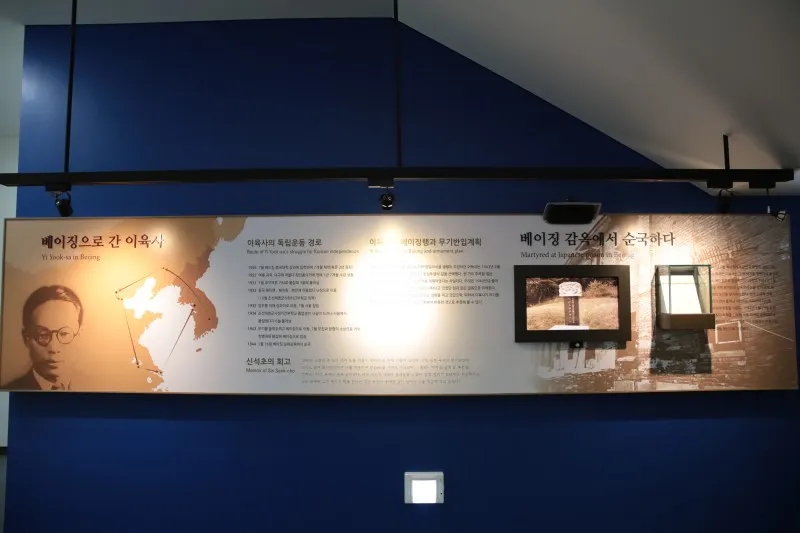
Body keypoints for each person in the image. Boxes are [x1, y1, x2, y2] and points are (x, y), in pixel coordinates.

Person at [4, 285, 84, 391]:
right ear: (26, 338)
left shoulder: (95, 387)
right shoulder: (11, 391)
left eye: (64, 334)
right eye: (43, 335)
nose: (54, 348)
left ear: (78, 336)